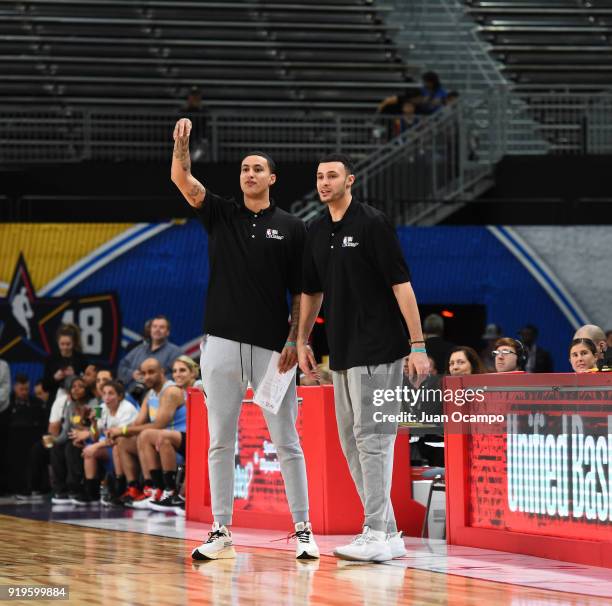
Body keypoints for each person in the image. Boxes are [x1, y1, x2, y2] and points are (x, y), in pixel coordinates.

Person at [171, 117, 318, 561]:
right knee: (220, 440)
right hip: (218, 346)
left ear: (272, 178)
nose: (249, 174)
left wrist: (298, 338)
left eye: (257, 169)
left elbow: (303, 292)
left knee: (286, 440)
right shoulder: (221, 212)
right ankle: (220, 531)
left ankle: (304, 529)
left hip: (274, 351)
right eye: (243, 169)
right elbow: (183, 179)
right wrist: (181, 146)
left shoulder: (293, 227)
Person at [297, 153, 429, 563]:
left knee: (373, 440)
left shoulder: (372, 222)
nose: (324, 182)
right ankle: (387, 532)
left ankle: (374, 531)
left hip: (379, 347)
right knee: (352, 443)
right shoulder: (316, 231)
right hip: (340, 351)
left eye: (332, 176)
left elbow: (401, 284)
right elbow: (311, 292)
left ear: (350, 180)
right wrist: (301, 339)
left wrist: (418, 344)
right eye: (319, 176)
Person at [107, 358, 183, 508]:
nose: (147, 377)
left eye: (151, 372)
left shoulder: (170, 391)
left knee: (145, 434)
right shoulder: (150, 394)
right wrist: (117, 432)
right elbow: (137, 423)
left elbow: (159, 424)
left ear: (162, 372)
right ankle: (139, 488)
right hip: (158, 441)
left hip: (178, 441)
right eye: (144, 373)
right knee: (123, 441)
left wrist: (123, 430)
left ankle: (161, 488)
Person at [142, 355, 199, 513]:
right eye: (174, 371)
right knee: (162, 438)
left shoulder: (199, 386)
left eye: (182, 370)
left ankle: (177, 494)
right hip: (189, 438)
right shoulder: (179, 390)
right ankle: (167, 490)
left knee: (164, 435)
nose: (177, 374)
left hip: (202, 437)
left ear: (193, 373)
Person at [71, 380, 138, 505]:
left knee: (112, 447)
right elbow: (95, 436)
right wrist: (94, 423)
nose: (106, 397)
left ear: (120, 396)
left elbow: (118, 437)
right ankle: (91, 493)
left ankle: (120, 490)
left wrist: (94, 446)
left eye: (111, 393)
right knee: (89, 452)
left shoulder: (127, 409)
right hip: (109, 445)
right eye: (104, 393)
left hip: (128, 447)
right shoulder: (101, 408)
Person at [50, 377, 93, 503]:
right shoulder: (71, 406)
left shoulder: (94, 403)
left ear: (86, 389)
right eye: (74, 386)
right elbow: (66, 431)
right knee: (56, 448)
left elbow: (97, 426)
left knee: (71, 447)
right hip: (72, 437)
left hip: (88, 438)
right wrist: (55, 440)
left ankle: (74, 488)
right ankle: (61, 489)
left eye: (80, 386)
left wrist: (83, 428)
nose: (76, 389)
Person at [117, 315, 181, 395]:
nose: (157, 330)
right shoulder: (139, 349)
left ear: (167, 332)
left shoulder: (175, 352)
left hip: (160, 396)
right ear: (150, 330)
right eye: (154, 327)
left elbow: (180, 376)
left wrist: (156, 378)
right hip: (132, 396)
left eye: (161, 327)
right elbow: (122, 366)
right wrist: (132, 374)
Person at [6, 375, 47, 496]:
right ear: (15, 387)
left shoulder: (36, 403)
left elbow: (44, 425)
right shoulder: (7, 402)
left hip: (32, 440)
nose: (24, 392)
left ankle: (36, 486)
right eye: (21, 389)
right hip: (11, 440)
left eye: (26, 389)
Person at [42, 323, 88, 402]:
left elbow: (87, 382)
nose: (65, 347)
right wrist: (55, 377)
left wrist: (75, 375)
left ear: (73, 343)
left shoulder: (81, 358)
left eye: (68, 344)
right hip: (55, 401)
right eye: (62, 344)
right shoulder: (51, 359)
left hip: (77, 401)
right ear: (58, 343)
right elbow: (45, 387)